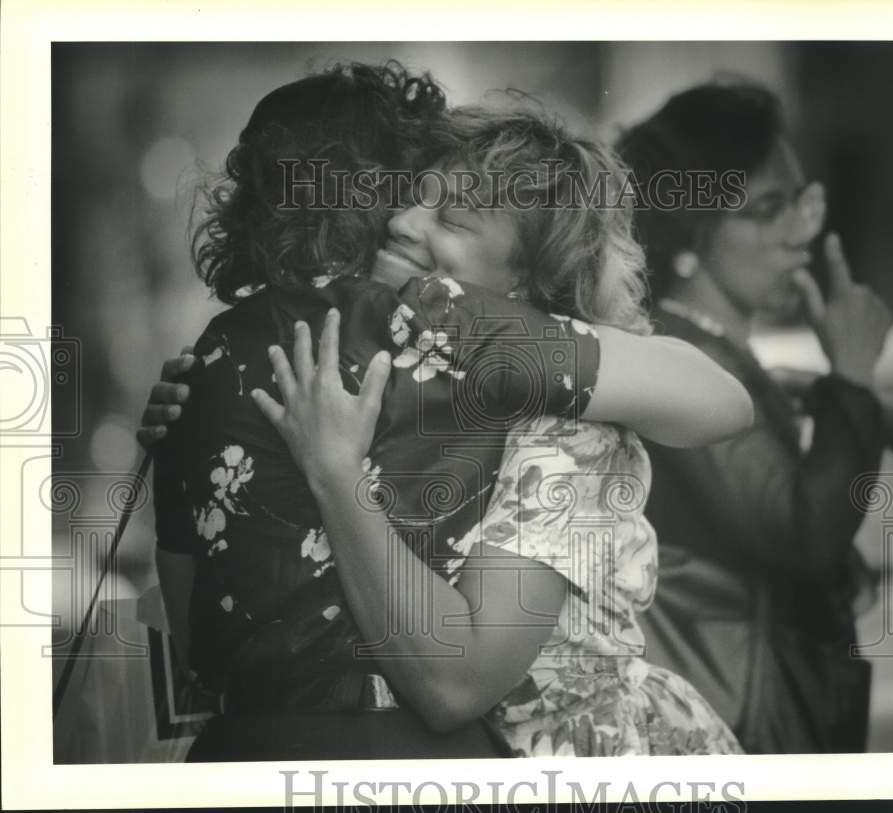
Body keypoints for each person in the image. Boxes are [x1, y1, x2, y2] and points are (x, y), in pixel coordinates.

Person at [148, 64, 751, 760]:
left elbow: (194, 641)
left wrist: (329, 473)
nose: (401, 223)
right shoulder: (409, 338)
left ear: (525, 281)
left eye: (450, 217)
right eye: (406, 196)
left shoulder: (514, 383)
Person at [617, 80, 893, 753]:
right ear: (691, 230)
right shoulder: (682, 359)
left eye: (802, 199)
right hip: (740, 734)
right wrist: (851, 376)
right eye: (769, 207)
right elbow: (803, 534)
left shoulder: (713, 350)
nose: (804, 229)